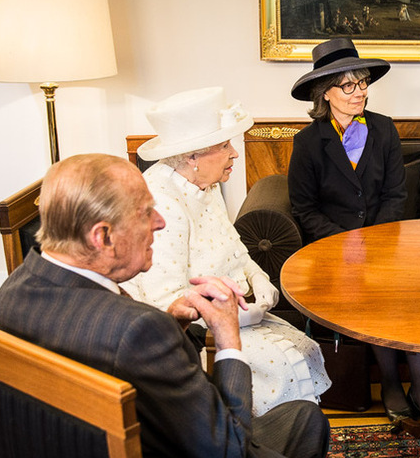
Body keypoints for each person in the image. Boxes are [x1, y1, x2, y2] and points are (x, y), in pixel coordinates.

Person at [0, 154, 418, 458]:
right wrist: (227, 337)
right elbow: (228, 455)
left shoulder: (15, 294)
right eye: (144, 213)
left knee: (303, 418)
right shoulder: (137, 330)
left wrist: (172, 320)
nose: (159, 222)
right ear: (101, 236)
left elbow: (126, 360)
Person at [124, 87, 331, 417]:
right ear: (192, 155)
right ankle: (257, 444)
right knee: (281, 366)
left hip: (235, 310)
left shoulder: (204, 183)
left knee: (303, 349)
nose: (235, 153)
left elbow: (233, 246)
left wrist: (258, 277)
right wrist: (231, 313)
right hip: (198, 327)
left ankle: (291, 437)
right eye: (224, 145)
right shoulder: (163, 202)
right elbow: (165, 299)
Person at [288, 37, 420, 423]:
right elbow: (305, 208)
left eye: (363, 82)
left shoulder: (384, 130)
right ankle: (388, 383)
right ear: (325, 93)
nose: (360, 92)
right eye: (348, 85)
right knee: (372, 294)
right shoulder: (306, 143)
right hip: (332, 249)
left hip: (386, 242)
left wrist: (375, 242)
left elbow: (395, 193)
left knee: (410, 292)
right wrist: (347, 243)